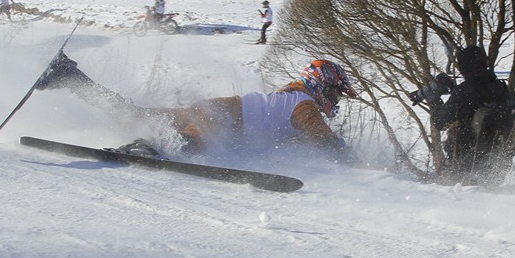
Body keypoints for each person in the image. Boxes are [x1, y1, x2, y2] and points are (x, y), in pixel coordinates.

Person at [34, 55, 358, 162]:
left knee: (135, 115)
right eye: (336, 94)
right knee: (189, 146)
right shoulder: (304, 105)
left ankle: (71, 75)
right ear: (323, 85)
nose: (336, 102)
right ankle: (148, 146)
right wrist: (354, 160)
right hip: (219, 117)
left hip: (210, 111)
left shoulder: (290, 99)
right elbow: (323, 141)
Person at [411, 46, 515, 185]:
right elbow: (478, 102)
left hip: (464, 166)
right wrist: (455, 88)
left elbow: (439, 122)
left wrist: (434, 99)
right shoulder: (500, 87)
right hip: (495, 165)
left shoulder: (465, 92)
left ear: (464, 67)